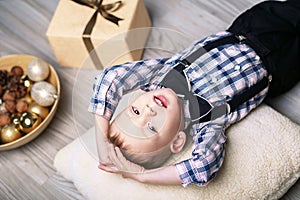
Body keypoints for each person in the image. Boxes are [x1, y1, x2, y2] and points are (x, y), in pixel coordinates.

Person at [88, 0, 300, 187]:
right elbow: (203, 167)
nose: (149, 112)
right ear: (178, 141)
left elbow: (111, 78)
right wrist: (143, 176)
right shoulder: (206, 123)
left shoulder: (159, 76)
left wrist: (102, 138)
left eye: (134, 111)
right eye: (152, 128)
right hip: (280, 67)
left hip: (250, 29)